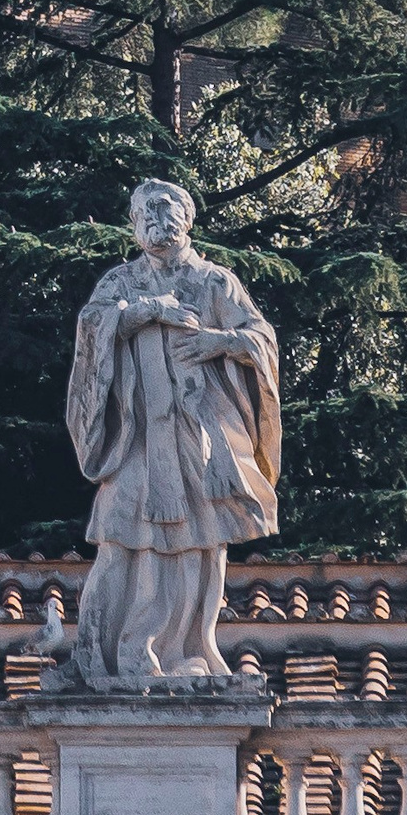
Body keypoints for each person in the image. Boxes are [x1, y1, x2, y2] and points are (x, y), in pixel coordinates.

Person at [63, 178, 280, 686]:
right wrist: (146, 312)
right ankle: (110, 651)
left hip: (203, 437)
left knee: (204, 540)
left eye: (164, 211)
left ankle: (193, 648)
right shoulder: (120, 283)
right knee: (121, 531)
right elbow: (92, 329)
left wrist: (218, 341)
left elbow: (261, 338)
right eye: (144, 215)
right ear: (134, 225)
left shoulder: (214, 283)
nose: (155, 222)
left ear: (186, 217)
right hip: (137, 437)